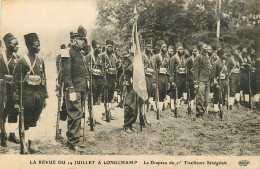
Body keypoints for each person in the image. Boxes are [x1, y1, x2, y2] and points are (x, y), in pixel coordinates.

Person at [12, 33, 48, 153]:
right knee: (25, 119)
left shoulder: (40, 61)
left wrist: (44, 97)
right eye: (35, 45)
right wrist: (16, 101)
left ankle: (31, 143)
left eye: (39, 45)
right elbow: (16, 82)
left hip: (38, 95)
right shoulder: (22, 61)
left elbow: (44, 79)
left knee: (34, 119)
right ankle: (24, 144)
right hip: (26, 95)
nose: (38, 47)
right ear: (29, 46)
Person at [61, 28, 88, 150]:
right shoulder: (68, 53)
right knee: (74, 114)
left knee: (78, 114)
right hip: (74, 89)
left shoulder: (79, 53)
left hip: (81, 88)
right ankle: (73, 141)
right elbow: (66, 74)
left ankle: (72, 138)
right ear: (74, 40)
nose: (83, 41)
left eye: (83, 39)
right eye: (80, 39)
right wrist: (70, 89)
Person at [0, 33, 20, 147]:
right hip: (2, 90)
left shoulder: (17, 58)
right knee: (2, 112)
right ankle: (2, 134)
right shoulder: (1, 57)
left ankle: (12, 134)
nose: (17, 46)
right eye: (15, 44)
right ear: (7, 44)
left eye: (18, 44)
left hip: (13, 90)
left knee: (14, 111)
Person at [99, 40, 118, 121]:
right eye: (108, 46)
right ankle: (104, 113)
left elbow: (117, 65)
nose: (109, 48)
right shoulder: (102, 55)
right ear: (106, 46)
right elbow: (100, 65)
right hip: (105, 78)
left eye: (111, 46)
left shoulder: (114, 56)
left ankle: (109, 112)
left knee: (110, 95)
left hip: (112, 78)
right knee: (105, 96)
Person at [192, 43, 211, 118]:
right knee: (200, 98)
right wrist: (196, 82)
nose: (206, 49)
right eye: (205, 47)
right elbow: (195, 70)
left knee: (206, 98)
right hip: (201, 81)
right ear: (200, 49)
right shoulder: (198, 57)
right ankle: (199, 114)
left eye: (207, 47)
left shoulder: (206, 57)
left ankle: (204, 112)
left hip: (207, 80)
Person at [85, 40, 103, 119]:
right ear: (93, 48)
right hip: (92, 78)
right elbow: (86, 68)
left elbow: (102, 67)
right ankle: (90, 113)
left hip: (98, 78)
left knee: (98, 92)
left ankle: (93, 107)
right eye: (97, 48)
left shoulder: (100, 57)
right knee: (91, 93)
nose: (98, 49)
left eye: (99, 48)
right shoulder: (88, 57)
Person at [153, 40, 170, 115]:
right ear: (160, 48)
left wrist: (169, 80)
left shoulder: (167, 57)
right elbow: (153, 68)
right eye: (164, 47)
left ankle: (160, 109)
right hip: (158, 77)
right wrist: (154, 80)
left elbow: (168, 68)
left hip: (165, 77)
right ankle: (156, 108)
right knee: (158, 92)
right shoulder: (156, 57)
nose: (165, 48)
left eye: (166, 47)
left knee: (164, 92)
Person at [121, 51, 137, 133]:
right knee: (129, 104)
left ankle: (131, 124)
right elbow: (125, 70)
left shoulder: (137, 57)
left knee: (134, 106)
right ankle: (126, 125)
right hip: (129, 84)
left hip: (136, 84)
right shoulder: (127, 58)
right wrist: (133, 65)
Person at [169, 43, 187, 112]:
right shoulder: (173, 58)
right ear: (177, 50)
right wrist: (172, 80)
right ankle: (172, 106)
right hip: (176, 77)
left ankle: (177, 105)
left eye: (182, 49)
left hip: (182, 77)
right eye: (180, 49)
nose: (181, 50)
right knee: (174, 92)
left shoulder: (183, 58)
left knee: (180, 92)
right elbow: (171, 70)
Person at [211, 49, 228, 115]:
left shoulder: (224, 62)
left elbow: (226, 72)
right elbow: (213, 74)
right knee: (217, 95)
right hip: (218, 81)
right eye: (224, 54)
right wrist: (215, 83)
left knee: (223, 94)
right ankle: (215, 109)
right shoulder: (216, 63)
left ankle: (221, 108)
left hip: (223, 81)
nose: (225, 56)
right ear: (220, 55)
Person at [143, 39, 155, 111]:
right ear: (145, 47)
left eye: (150, 47)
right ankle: (144, 106)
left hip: (151, 75)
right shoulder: (142, 55)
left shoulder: (152, 56)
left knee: (151, 90)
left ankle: (149, 105)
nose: (149, 48)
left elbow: (153, 66)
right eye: (147, 47)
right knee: (145, 90)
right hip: (144, 76)